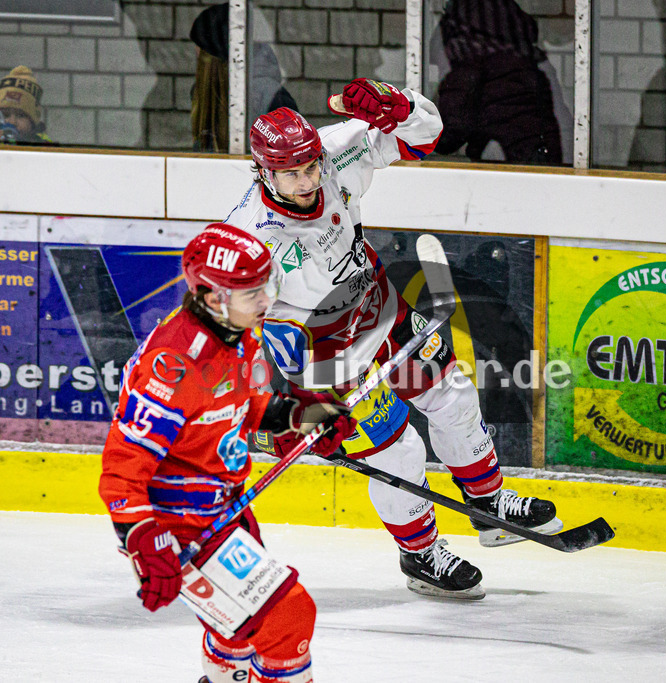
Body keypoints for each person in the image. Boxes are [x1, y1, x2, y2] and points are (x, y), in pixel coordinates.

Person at [223, 79, 563, 601]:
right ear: (263, 171)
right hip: (325, 353)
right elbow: (226, 326)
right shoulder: (250, 238)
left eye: (310, 167)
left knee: (453, 396)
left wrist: (396, 105)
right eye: (291, 174)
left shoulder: (330, 154)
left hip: (377, 307)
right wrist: (278, 404)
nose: (308, 180)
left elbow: (425, 136)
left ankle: (490, 505)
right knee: (398, 451)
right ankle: (422, 555)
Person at [99, 223, 356, 683]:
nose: (266, 301)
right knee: (287, 616)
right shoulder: (175, 366)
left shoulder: (239, 336)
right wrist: (143, 536)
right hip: (182, 524)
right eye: (253, 292)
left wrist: (304, 415)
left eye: (266, 286)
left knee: (237, 628)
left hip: (226, 505)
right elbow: (123, 468)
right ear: (214, 297)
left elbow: (252, 408)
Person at [432, 0, 565, 165]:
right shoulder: (533, 69)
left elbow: (448, 138)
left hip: (501, 176)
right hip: (543, 166)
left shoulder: (467, 75)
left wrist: (414, 121)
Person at [189, 3, 298, 153]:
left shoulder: (273, 99)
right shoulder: (208, 91)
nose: (196, 53)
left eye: (200, 47)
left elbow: (295, 161)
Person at [0, 66, 54, 145]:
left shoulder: (41, 143)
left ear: (32, 122)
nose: (12, 122)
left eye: (20, 115)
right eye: (5, 115)